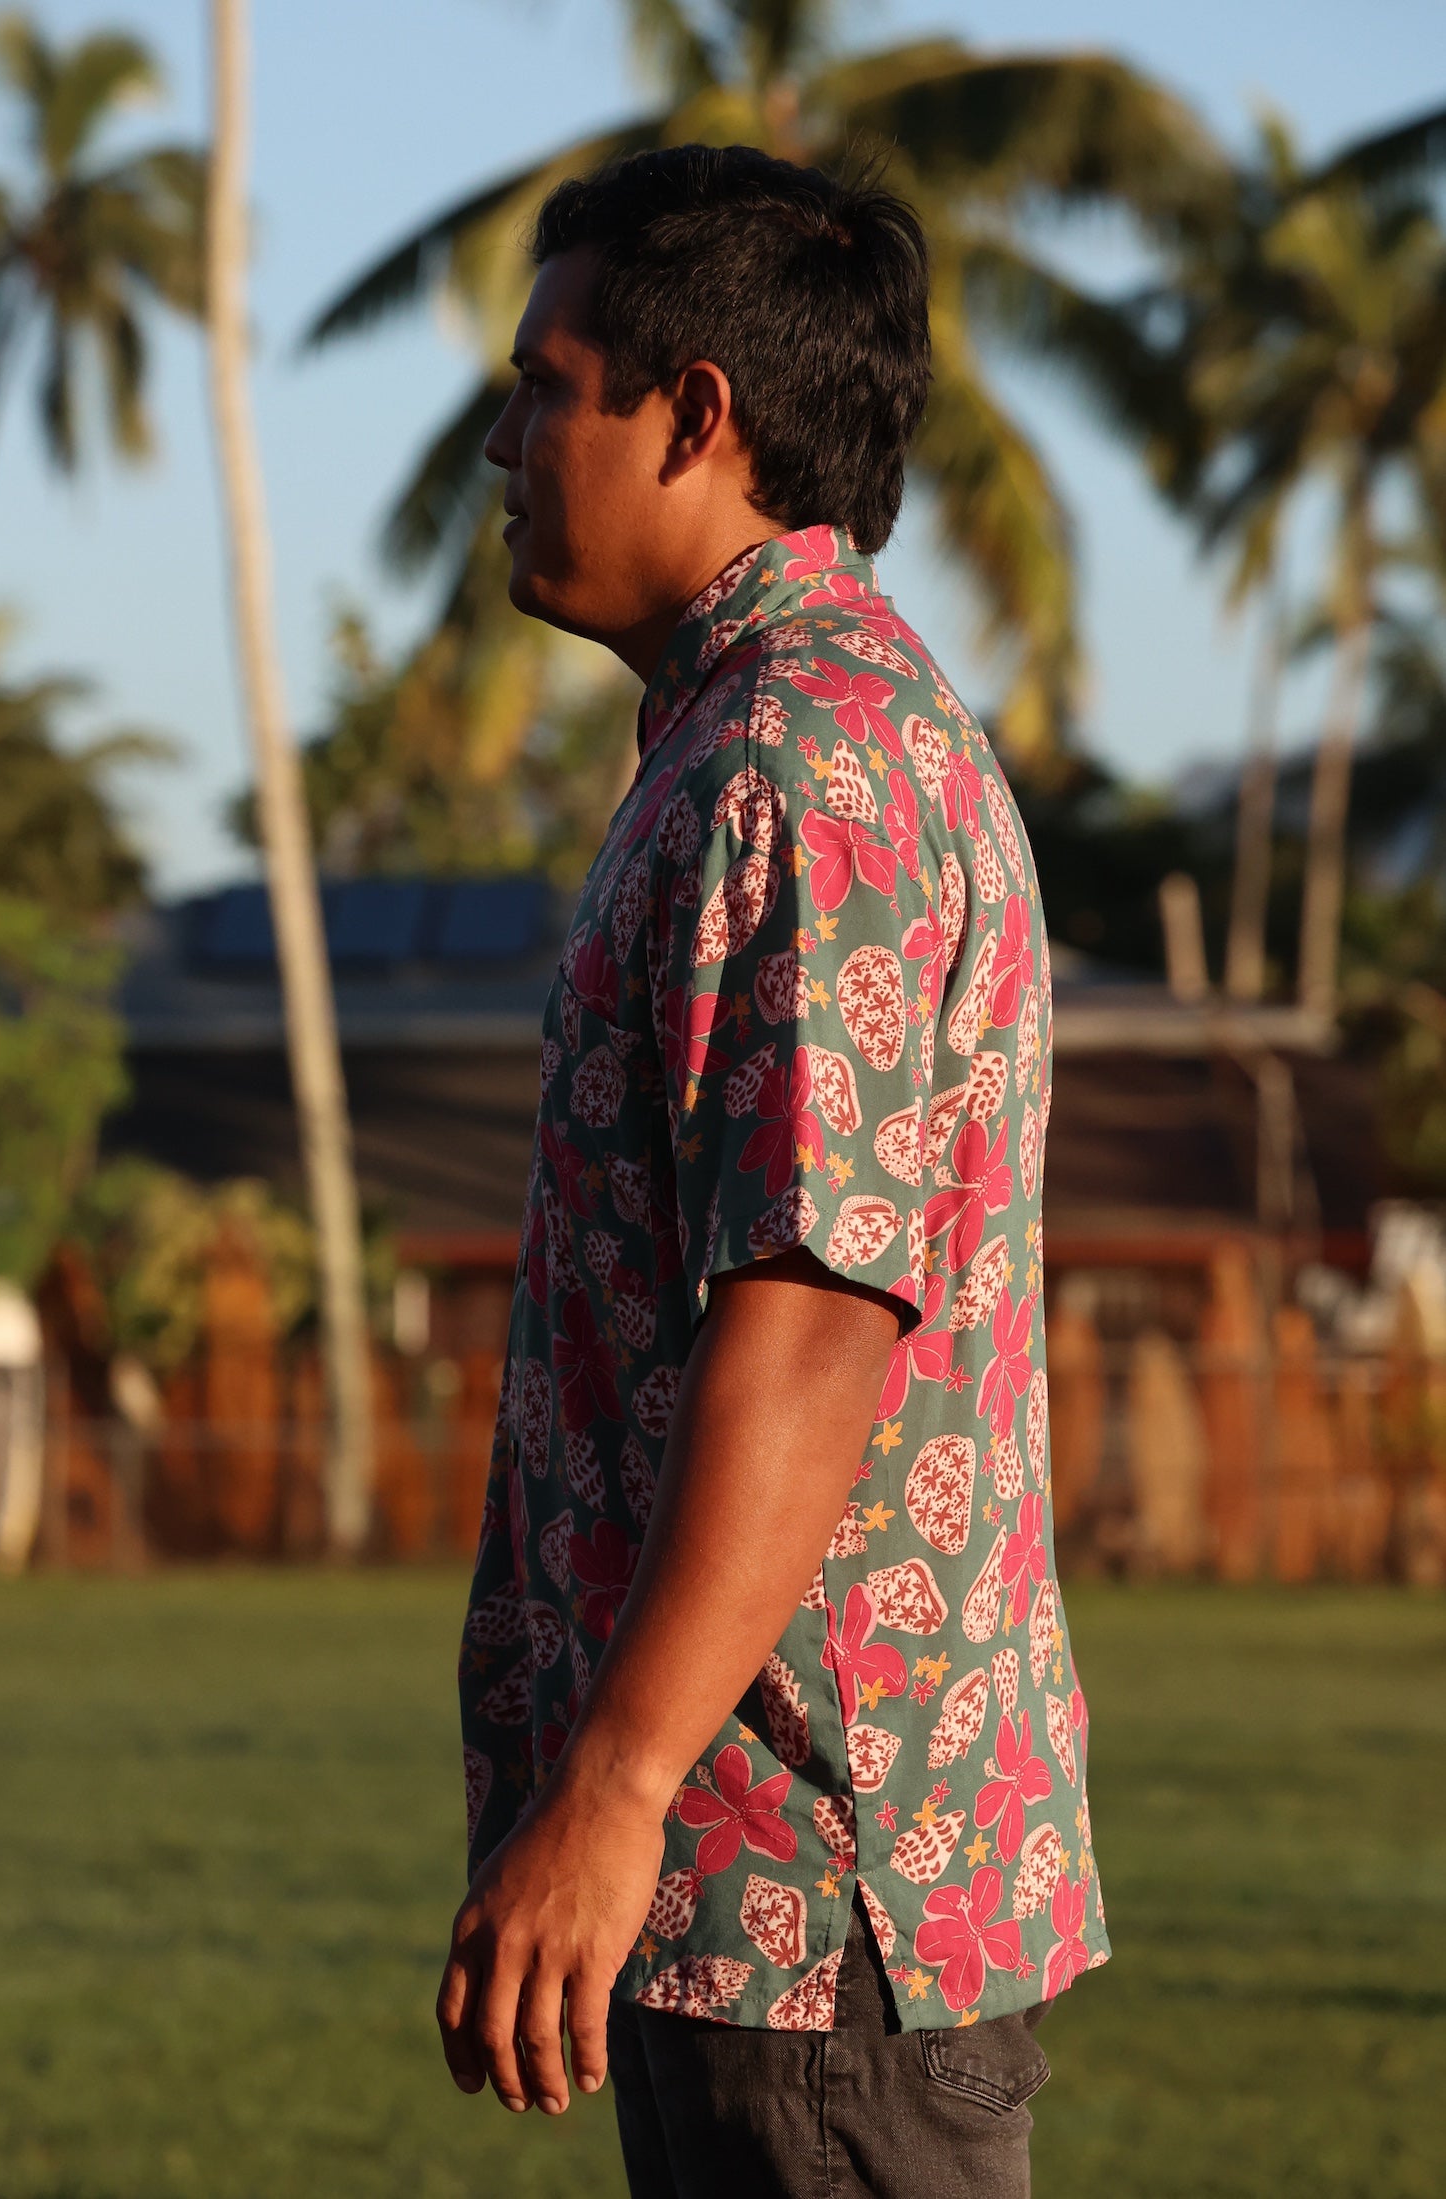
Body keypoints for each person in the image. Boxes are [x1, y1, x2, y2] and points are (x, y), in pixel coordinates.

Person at [437, 143, 1109, 2199]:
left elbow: (812, 1320)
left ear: (697, 414)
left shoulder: (793, 768)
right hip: (769, 1895)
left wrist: (618, 1778)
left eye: (549, 384)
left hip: (802, 1898)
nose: (507, 437)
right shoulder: (767, 741)